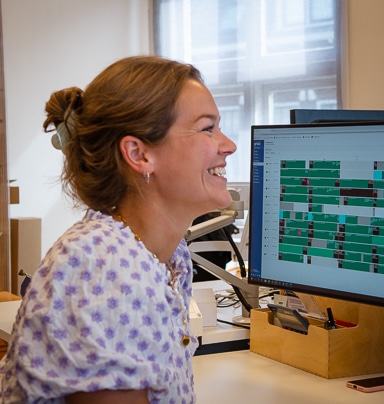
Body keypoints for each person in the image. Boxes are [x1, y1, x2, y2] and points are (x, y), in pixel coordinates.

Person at [0, 56, 236, 403]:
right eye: (207, 128)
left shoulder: (168, 257)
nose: (229, 145)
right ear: (138, 154)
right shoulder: (101, 266)